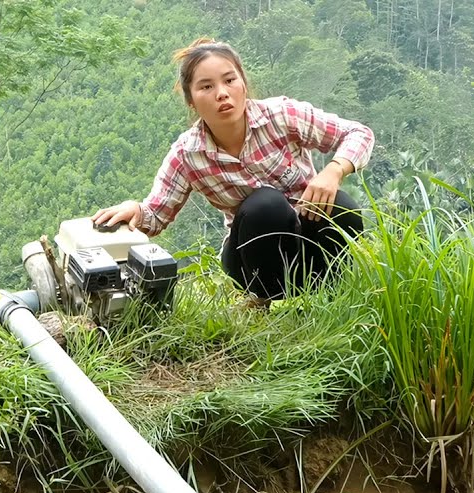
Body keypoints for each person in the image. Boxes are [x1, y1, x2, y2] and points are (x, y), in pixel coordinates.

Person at [92, 38, 374, 306]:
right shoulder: (188, 154)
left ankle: (332, 295)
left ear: (243, 82)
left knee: (340, 207)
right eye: (206, 87)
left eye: (229, 80)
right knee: (266, 203)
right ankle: (263, 301)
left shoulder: (282, 116)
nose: (222, 93)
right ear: (191, 99)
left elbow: (358, 133)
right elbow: (156, 215)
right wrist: (135, 211)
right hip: (251, 260)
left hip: (309, 240)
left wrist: (334, 171)